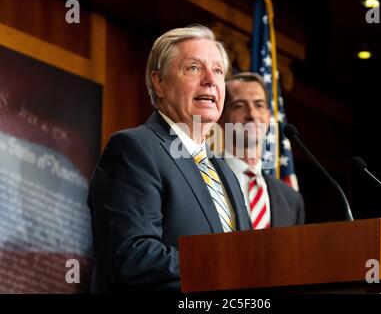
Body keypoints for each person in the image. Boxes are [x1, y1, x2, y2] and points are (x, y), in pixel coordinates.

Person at [87, 25, 251, 293]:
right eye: (194, 68)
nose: (210, 79)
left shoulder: (225, 171)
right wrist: (224, 268)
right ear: (159, 83)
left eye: (218, 71)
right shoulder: (134, 149)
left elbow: (249, 259)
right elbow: (132, 255)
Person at [218, 72, 305, 229]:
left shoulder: (292, 199)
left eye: (259, 105)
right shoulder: (206, 179)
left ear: (268, 116)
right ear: (221, 118)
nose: (252, 114)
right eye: (239, 105)